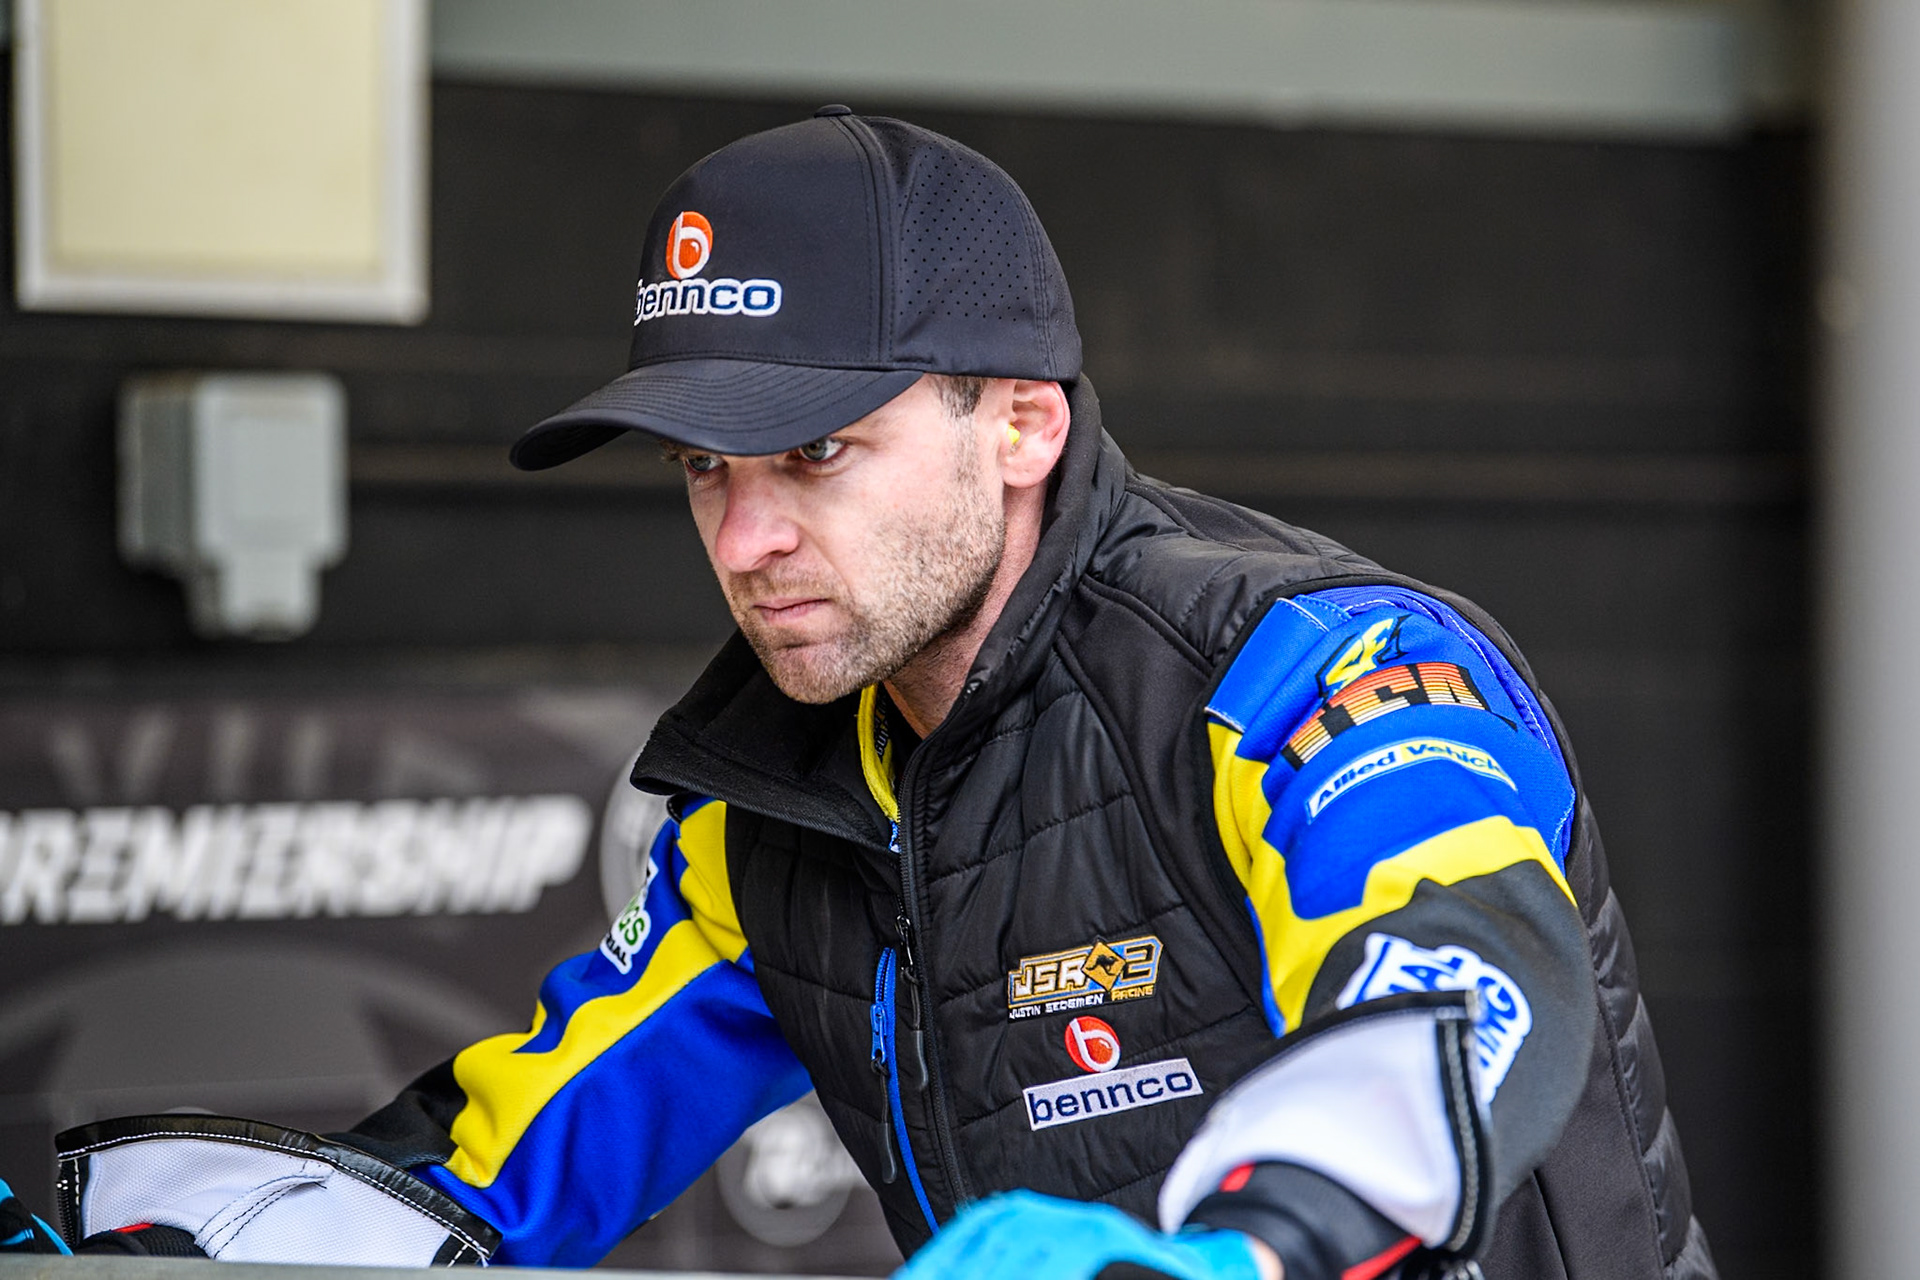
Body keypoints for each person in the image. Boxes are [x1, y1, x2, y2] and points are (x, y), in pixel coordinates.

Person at [17, 108, 1713, 1280]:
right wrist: (141, 1233)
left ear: (1024, 424)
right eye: (703, 470)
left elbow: (1456, 996)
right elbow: (476, 1179)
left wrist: (1242, 1247)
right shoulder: (771, 818)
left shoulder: (1307, 671)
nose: (750, 538)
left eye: (819, 451)